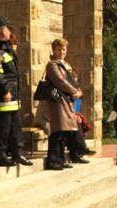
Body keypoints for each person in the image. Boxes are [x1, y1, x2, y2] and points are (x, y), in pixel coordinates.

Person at [0, 17, 32, 167]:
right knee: (3, 128)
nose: (10, 32)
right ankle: (2, 156)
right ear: (3, 31)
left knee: (16, 127)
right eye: (8, 29)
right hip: (4, 97)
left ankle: (17, 154)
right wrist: (6, 90)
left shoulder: (6, 48)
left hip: (13, 96)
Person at [43, 39, 85, 171]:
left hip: (68, 101)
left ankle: (61, 159)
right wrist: (74, 91)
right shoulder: (52, 65)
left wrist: (79, 91)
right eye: (59, 49)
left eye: (64, 49)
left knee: (65, 132)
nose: (62, 52)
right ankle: (53, 161)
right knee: (58, 131)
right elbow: (60, 81)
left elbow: (72, 80)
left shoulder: (65, 64)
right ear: (53, 50)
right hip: (58, 102)